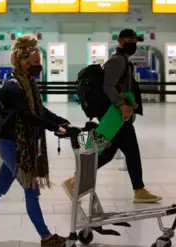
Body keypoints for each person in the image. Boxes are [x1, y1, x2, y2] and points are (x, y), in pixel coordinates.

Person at [0, 34, 72, 247]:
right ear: (23, 62)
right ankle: (46, 237)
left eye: (40, 63)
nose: (38, 67)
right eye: (35, 63)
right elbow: (26, 116)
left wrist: (61, 121)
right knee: (31, 189)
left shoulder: (28, 83)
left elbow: (39, 111)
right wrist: (54, 128)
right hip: (12, 146)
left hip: (16, 144)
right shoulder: (13, 87)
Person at [62, 29, 162, 203]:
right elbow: (108, 86)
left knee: (107, 154)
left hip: (115, 114)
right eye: (130, 40)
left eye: (135, 40)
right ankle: (139, 190)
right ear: (121, 41)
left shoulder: (122, 60)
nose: (134, 43)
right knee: (132, 151)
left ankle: (74, 181)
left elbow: (121, 87)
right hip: (115, 115)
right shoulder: (117, 61)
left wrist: (129, 103)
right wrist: (122, 105)